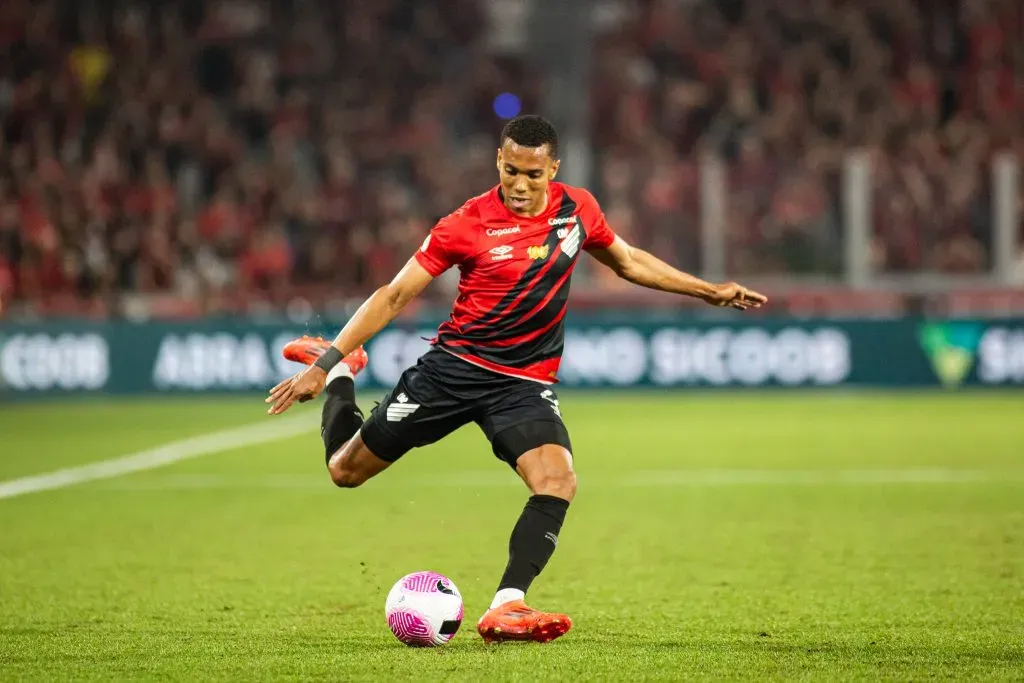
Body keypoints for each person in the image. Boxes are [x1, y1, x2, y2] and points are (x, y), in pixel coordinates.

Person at [266, 115, 766, 643]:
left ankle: (508, 605)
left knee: (558, 481)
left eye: (533, 174)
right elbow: (393, 295)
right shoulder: (464, 223)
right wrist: (326, 366)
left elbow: (627, 261)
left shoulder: (577, 210)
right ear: (497, 164)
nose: (521, 186)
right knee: (345, 471)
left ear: (553, 168)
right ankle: (347, 372)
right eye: (510, 172)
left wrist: (708, 291)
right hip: (452, 374)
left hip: (523, 385)